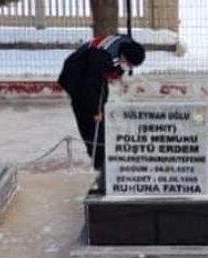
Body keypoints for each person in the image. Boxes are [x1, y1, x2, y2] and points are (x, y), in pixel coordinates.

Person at [57, 33, 147, 193]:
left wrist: (119, 71)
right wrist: (95, 111)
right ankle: (100, 165)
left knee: (101, 103)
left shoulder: (126, 44)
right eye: (129, 64)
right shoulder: (101, 59)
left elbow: (107, 76)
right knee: (90, 122)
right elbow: (92, 86)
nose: (130, 68)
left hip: (92, 71)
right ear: (124, 56)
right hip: (76, 76)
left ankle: (107, 157)